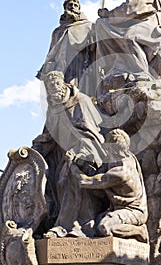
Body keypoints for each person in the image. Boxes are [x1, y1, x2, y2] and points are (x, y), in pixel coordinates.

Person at [32, 71, 107, 238]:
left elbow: (92, 134)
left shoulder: (82, 101)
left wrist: (79, 150)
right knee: (48, 177)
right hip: (63, 155)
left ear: (63, 84)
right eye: (49, 89)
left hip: (87, 152)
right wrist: (37, 148)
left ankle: (70, 227)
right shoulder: (54, 108)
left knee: (66, 178)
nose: (53, 91)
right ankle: (51, 221)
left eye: (55, 86)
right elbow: (50, 135)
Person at [79, 129, 149, 242]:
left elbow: (86, 181)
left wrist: (71, 166)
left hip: (134, 211)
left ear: (113, 148)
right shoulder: (118, 160)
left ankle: (139, 231)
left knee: (104, 228)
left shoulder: (121, 172)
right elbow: (95, 174)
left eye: (107, 146)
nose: (105, 149)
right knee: (90, 225)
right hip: (116, 209)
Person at [36, 0, 95, 95]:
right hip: (61, 64)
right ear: (65, 8)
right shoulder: (58, 31)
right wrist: (48, 67)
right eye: (70, 5)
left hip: (80, 62)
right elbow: (52, 52)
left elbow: (94, 48)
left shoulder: (88, 26)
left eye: (75, 5)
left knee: (79, 90)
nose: (72, 7)